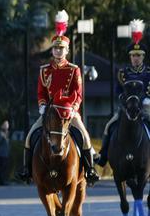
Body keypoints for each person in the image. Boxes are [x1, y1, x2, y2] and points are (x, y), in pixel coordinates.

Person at [18, 10, 99, 184]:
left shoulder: (74, 69)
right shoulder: (44, 70)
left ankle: (90, 170)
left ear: (67, 50)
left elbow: (78, 93)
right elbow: (41, 92)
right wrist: (42, 105)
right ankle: (26, 170)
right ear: (52, 50)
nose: (58, 51)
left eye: (61, 48)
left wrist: (73, 108)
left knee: (84, 137)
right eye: (55, 48)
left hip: (69, 112)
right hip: (49, 113)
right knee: (29, 137)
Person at [97, 19, 150, 165]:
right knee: (109, 126)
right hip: (127, 108)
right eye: (133, 55)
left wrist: (147, 100)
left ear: (143, 56)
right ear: (130, 57)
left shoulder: (148, 72)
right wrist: (124, 100)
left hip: (146, 108)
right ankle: (103, 156)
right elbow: (118, 90)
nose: (136, 58)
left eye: (138, 55)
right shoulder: (123, 73)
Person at [0, 120, 11, 185]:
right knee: (1, 168)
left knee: (5, 168)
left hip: (6, 154)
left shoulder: (7, 133)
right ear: (2, 126)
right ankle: (1, 181)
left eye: (7, 125)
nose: (7, 126)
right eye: (5, 125)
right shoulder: (0, 133)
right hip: (1, 154)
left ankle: (4, 180)